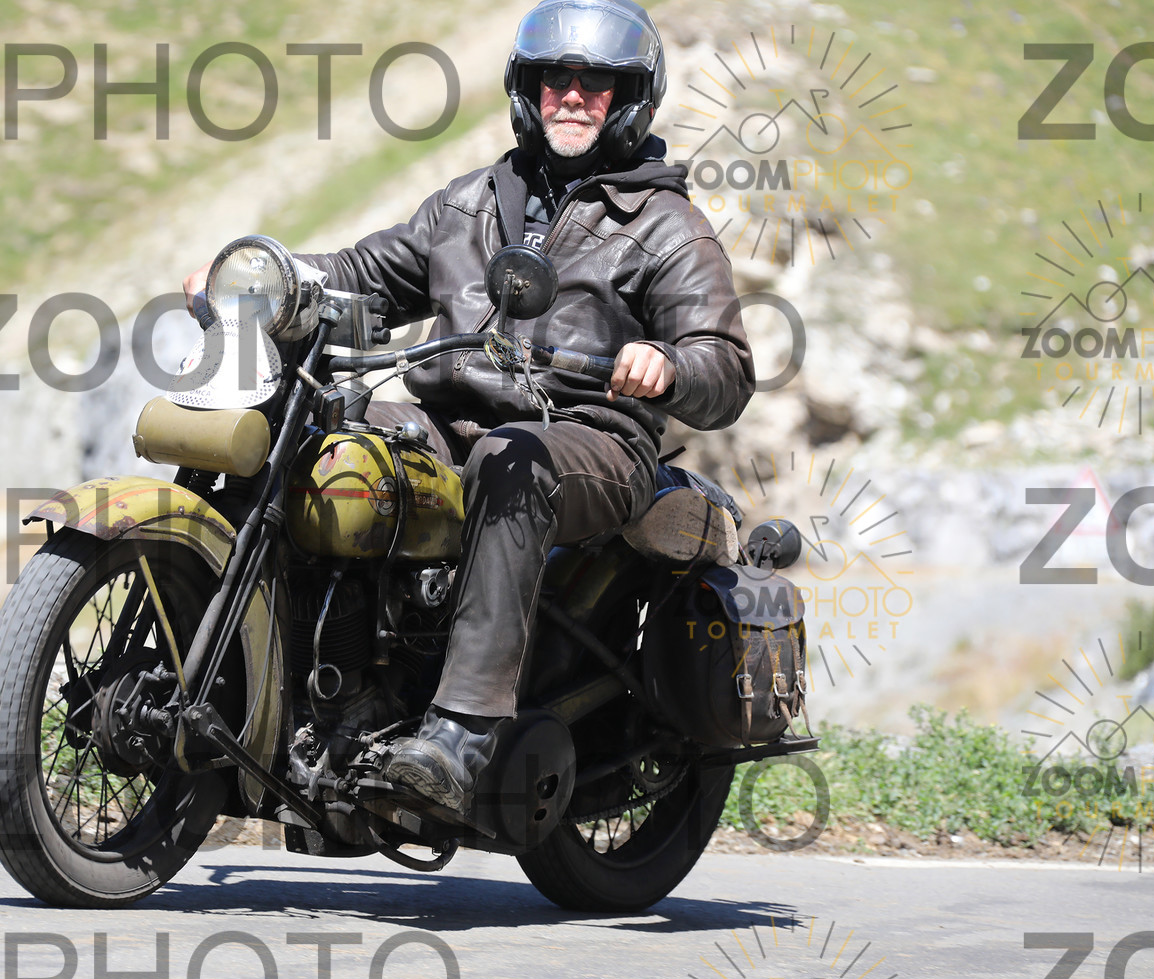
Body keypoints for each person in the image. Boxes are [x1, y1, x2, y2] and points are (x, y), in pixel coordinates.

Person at [184, 0, 754, 814]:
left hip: (589, 440)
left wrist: (666, 364)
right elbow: (359, 273)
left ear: (631, 99)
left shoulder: (669, 227)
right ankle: (314, 685)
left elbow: (726, 365)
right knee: (334, 439)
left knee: (509, 459)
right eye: (554, 77)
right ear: (527, 89)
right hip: (448, 424)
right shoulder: (469, 204)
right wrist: (253, 281)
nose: (572, 94)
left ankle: (461, 736)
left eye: (596, 81)